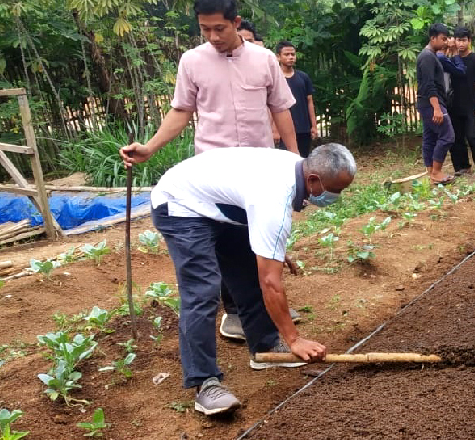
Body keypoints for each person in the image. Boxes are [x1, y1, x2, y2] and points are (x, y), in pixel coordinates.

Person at [118, 0, 301, 343]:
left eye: (219, 28)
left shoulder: (264, 60)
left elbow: (281, 109)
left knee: (252, 245)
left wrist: (295, 160)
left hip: (258, 173)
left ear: (235, 22)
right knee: (222, 248)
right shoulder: (193, 62)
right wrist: (151, 147)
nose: (213, 37)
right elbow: (181, 111)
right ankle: (233, 315)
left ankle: (258, 320)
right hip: (213, 176)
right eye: (205, 30)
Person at [146, 143, 355, 415]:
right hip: (180, 204)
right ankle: (205, 382)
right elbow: (271, 282)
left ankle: (265, 347)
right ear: (313, 180)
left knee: (247, 270)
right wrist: (294, 340)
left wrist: (273, 251)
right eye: (335, 191)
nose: (335, 197)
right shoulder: (274, 194)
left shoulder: (294, 169)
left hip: (220, 205)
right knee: (202, 291)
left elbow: (263, 233)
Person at [416, 23, 456, 185]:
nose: (446, 42)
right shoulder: (426, 57)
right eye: (443, 39)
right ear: (433, 38)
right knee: (448, 135)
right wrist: (437, 108)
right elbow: (428, 85)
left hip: (428, 104)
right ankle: (436, 172)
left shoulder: (431, 55)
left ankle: (431, 172)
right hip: (431, 103)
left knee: (431, 136)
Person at [449, 26, 475, 175]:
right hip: (454, 104)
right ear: (455, 41)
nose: (461, 44)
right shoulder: (452, 60)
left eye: (464, 40)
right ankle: (463, 166)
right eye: (458, 40)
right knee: (457, 137)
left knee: (471, 135)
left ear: (469, 41)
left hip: (471, 104)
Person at [276, 41, 317, 158]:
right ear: (278, 57)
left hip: (304, 128)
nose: (290, 57)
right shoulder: (274, 77)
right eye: (286, 54)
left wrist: (313, 126)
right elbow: (270, 106)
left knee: (302, 161)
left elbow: (309, 102)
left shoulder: (303, 77)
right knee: (286, 162)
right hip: (284, 129)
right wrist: (274, 130)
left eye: (293, 54)